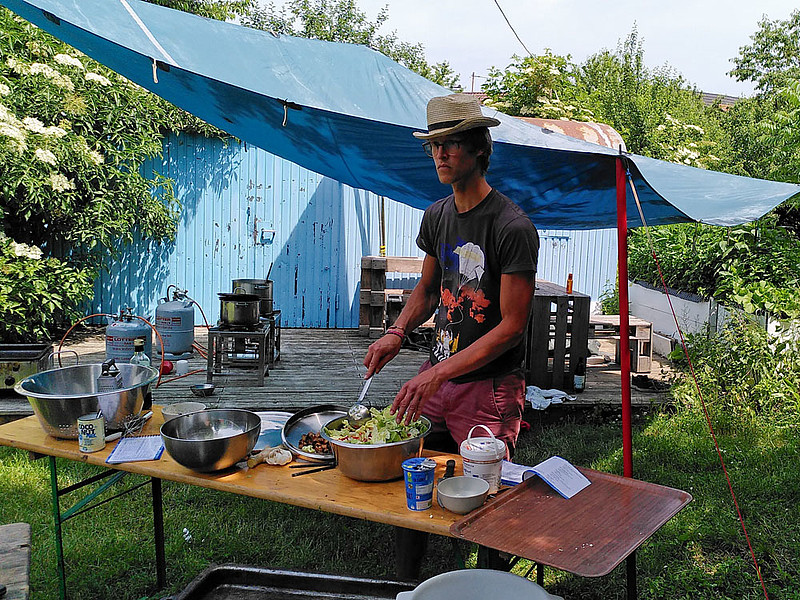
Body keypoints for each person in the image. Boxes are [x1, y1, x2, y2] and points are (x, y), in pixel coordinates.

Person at [364, 93, 539, 459]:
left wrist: (438, 374)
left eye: (452, 143)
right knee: (404, 463)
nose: (440, 154)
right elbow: (428, 290)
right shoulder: (436, 215)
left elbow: (513, 327)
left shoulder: (511, 226)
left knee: (484, 488)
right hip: (437, 373)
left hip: (487, 386)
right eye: (434, 145)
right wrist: (397, 332)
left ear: (478, 149)